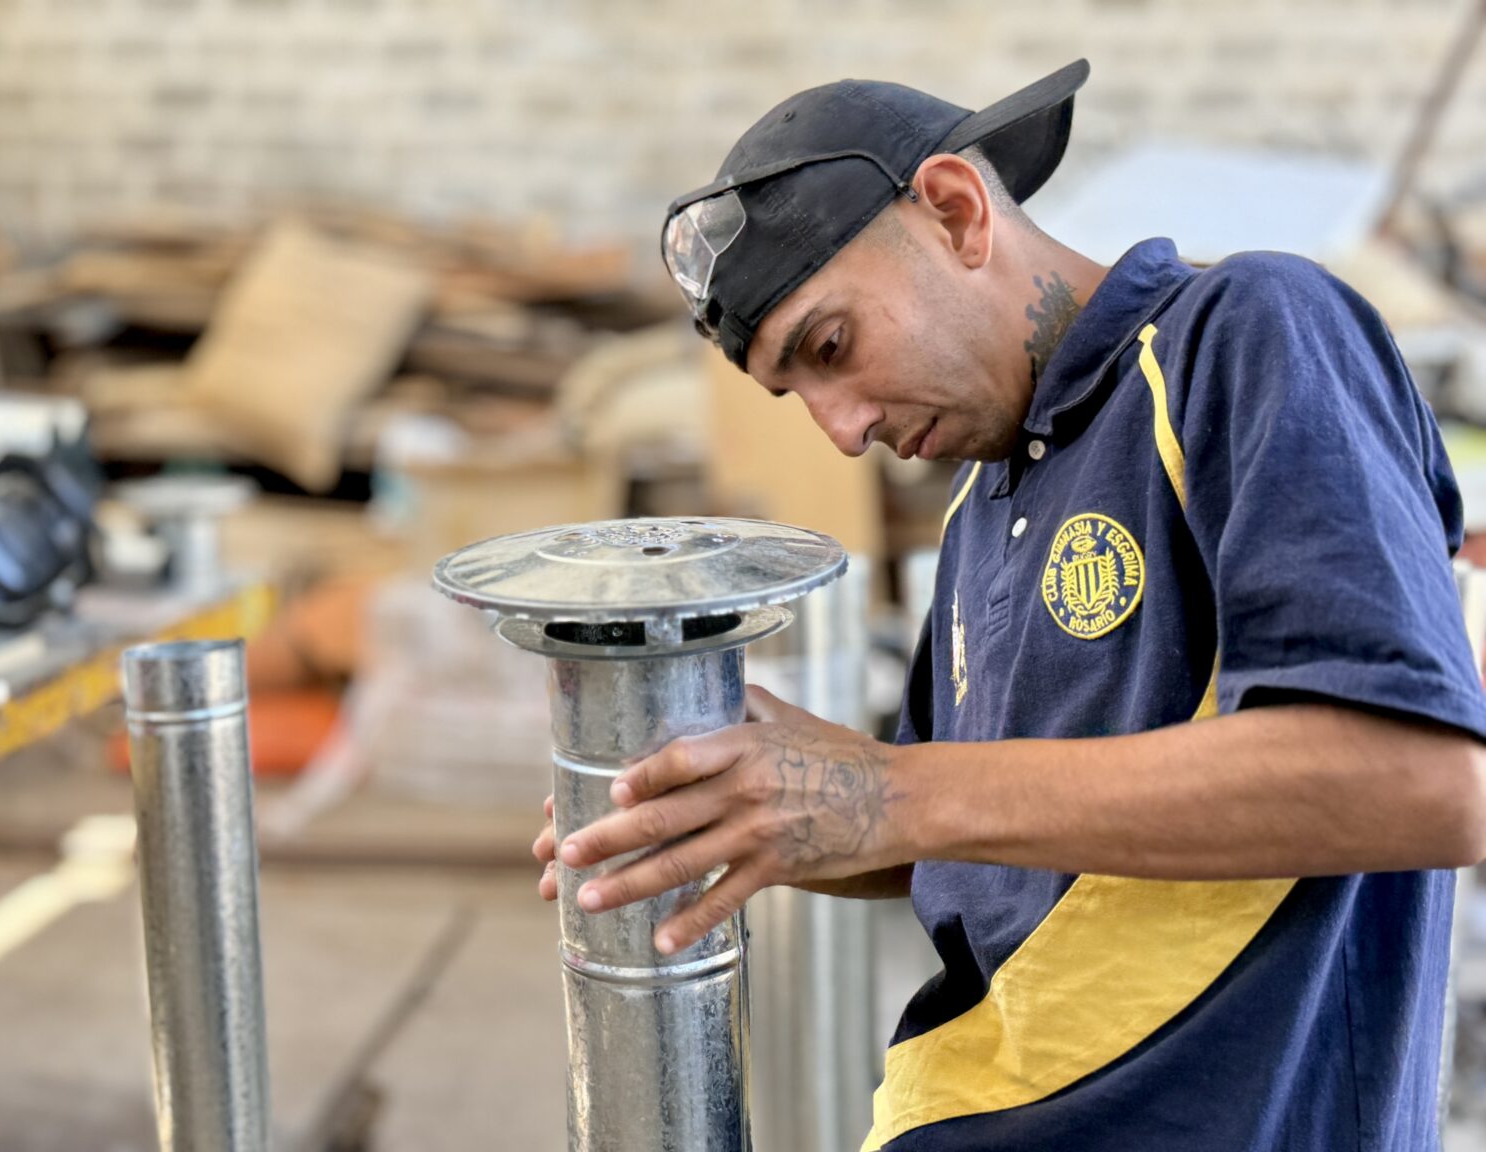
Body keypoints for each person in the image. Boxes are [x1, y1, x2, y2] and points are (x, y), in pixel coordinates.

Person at [531, 58, 1486, 1151]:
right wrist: (739, 807)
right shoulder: (980, 501)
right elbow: (963, 831)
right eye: (799, 396)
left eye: (832, 347)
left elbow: (1417, 780)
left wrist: (884, 791)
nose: (843, 431)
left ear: (955, 210)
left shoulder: (1247, 330)